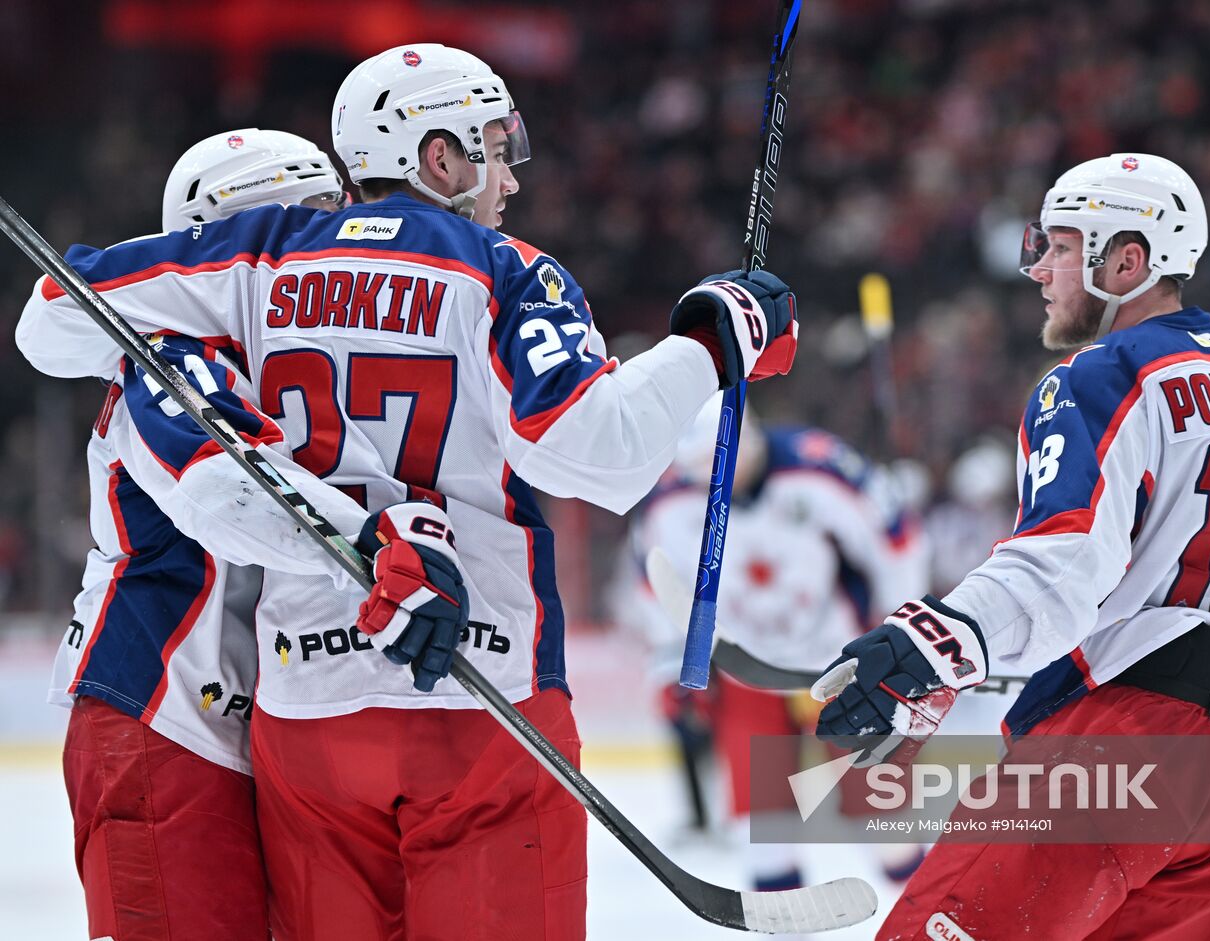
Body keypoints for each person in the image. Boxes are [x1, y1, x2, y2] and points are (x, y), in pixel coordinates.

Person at [19, 43, 797, 940]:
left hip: (302, 714)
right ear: (437, 156)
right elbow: (595, 449)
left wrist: (194, 303)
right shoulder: (504, 266)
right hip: (479, 695)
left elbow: (51, 314)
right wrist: (714, 338)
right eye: (494, 149)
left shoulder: (254, 259)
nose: (508, 178)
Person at [814, 153, 1210, 940]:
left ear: (1128, 261)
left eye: (1059, 246)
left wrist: (940, 641)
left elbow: (1062, 564)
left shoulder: (1100, 372)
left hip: (1127, 754)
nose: (1039, 269)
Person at [39, 129, 346, 941]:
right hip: (161, 714)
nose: (328, 242)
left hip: (249, 723)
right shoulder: (169, 353)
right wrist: (386, 550)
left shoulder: (288, 356)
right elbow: (232, 499)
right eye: (308, 218)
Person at [625, 395, 928, 892]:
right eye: (697, 466)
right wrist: (670, 667)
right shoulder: (668, 507)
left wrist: (906, 636)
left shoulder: (823, 469)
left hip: (844, 665)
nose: (710, 477)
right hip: (748, 671)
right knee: (762, 830)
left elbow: (897, 547)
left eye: (717, 461)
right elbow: (659, 592)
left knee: (884, 820)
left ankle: (925, 915)